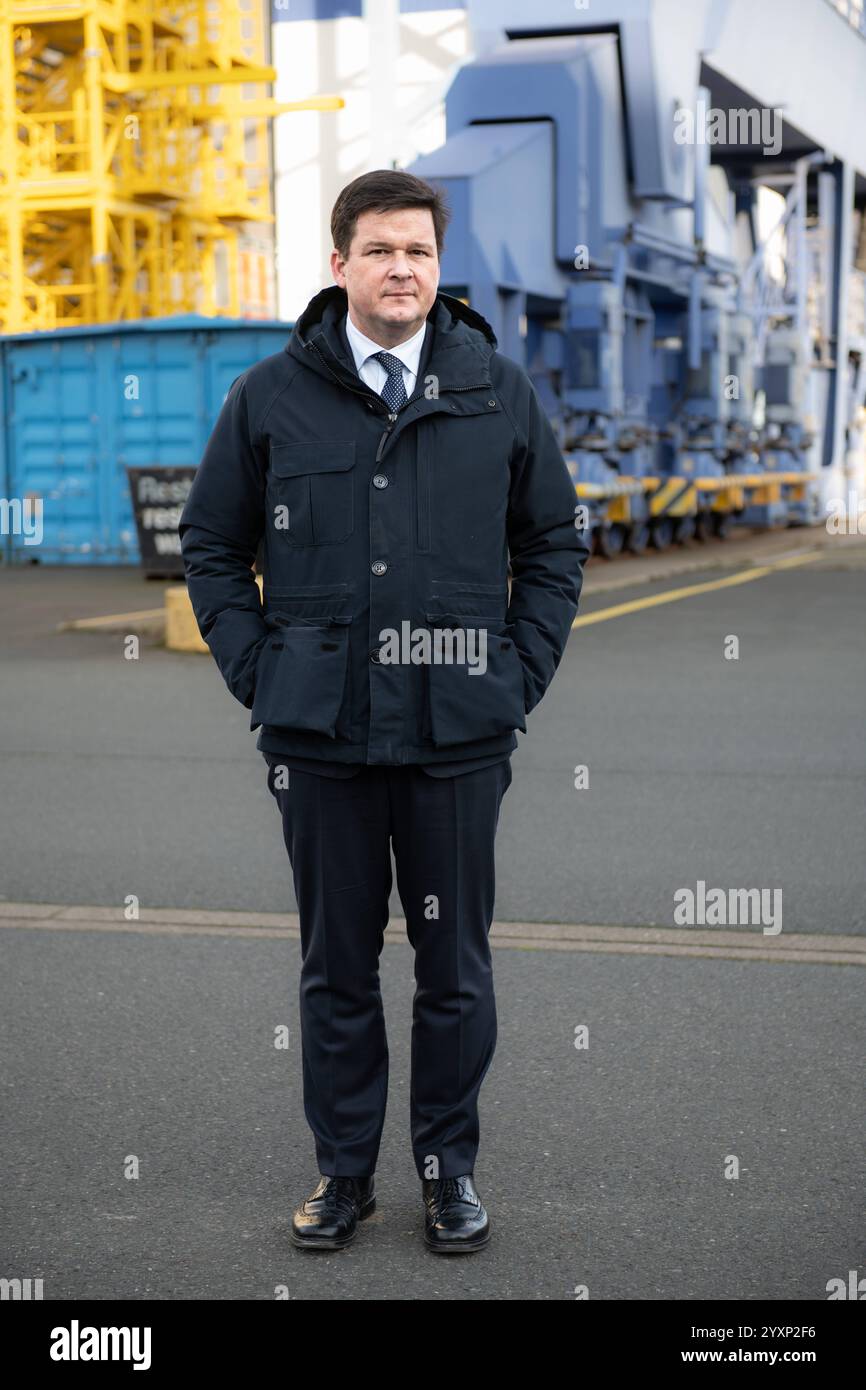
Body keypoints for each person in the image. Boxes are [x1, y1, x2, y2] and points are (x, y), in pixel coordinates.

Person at [179, 168, 590, 1254]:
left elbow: (553, 543)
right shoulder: (271, 395)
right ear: (338, 265)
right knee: (335, 965)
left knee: (453, 969)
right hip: (319, 736)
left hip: (458, 735)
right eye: (377, 250)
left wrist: (517, 673)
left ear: (436, 266)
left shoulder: (495, 391)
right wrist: (260, 675)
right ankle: (343, 1171)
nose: (399, 268)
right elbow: (213, 547)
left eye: (416, 250)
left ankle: (448, 1169)